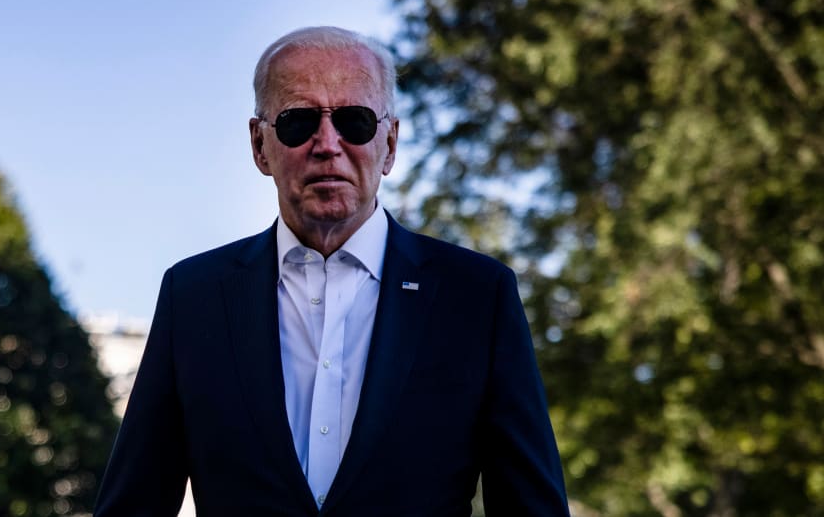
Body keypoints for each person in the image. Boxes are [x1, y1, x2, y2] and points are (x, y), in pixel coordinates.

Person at [94, 26, 569, 516]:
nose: (327, 143)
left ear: (390, 143)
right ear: (260, 145)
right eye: (298, 122)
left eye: (355, 121)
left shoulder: (476, 297)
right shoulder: (193, 297)